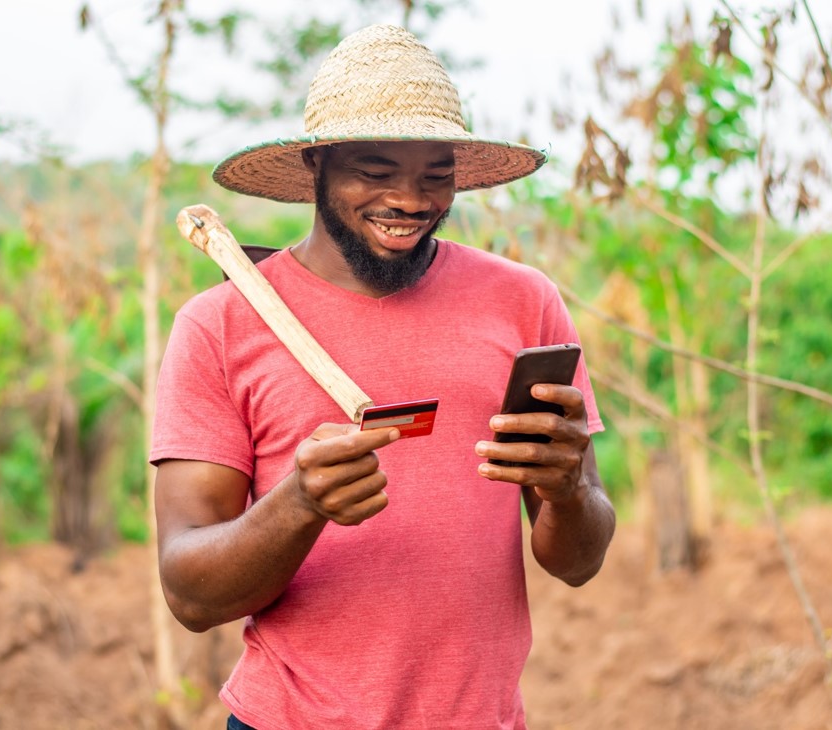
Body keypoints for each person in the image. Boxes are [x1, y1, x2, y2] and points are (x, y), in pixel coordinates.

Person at [150, 24, 615, 730]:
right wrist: (299, 504)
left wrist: (568, 488)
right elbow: (190, 595)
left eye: (436, 175)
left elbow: (577, 564)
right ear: (316, 166)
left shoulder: (523, 302)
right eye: (374, 170)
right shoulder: (221, 323)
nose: (409, 200)